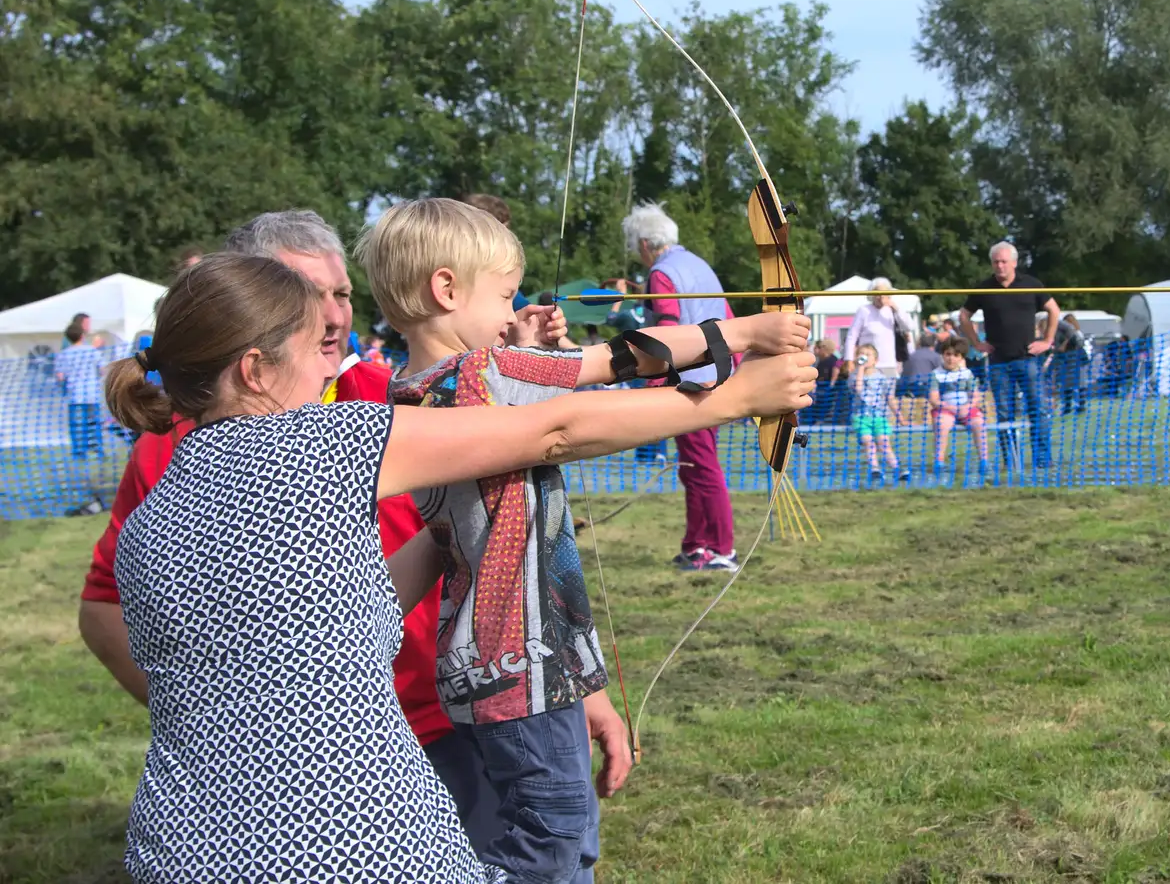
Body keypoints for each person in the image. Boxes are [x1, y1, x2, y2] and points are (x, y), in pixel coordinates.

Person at [100, 251, 814, 884]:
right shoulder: (321, 440)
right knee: (555, 845)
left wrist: (456, 527)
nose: (332, 362)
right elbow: (551, 430)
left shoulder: (149, 525)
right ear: (254, 370)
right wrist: (740, 396)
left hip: (178, 850)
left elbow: (341, 617)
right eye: (316, 347)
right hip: (361, 851)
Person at [77, 210, 507, 854]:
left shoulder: (395, 397)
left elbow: (483, 538)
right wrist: (233, 730)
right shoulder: (174, 447)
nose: (332, 315)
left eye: (340, 293)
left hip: (452, 723)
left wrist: (572, 692)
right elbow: (103, 607)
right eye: (307, 294)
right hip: (298, 796)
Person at [618, 203, 745, 572]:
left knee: (702, 468)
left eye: (634, 246)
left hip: (691, 380)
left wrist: (653, 381)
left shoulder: (661, 274)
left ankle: (723, 549)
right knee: (692, 466)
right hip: (715, 374)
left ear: (644, 243)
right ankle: (696, 545)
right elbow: (729, 318)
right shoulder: (700, 267)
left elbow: (667, 330)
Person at [959, 242, 1059, 471]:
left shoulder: (1031, 284)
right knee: (1005, 413)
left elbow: (1054, 310)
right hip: (998, 362)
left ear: (1014, 263)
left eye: (1004, 261)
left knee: (1038, 409)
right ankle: (1012, 462)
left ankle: (1042, 460)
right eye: (996, 262)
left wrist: (1047, 341)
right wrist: (976, 343)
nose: (1000, 266)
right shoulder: (984, 288)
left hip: (1028, 359)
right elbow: (964, 316)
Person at [928, 337, 988, 482]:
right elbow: (934, 399)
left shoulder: (967, 374)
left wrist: (967, 406)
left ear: (961, 357)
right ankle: (939, 461)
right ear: (943, 354)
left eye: (956, 355)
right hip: (945, 409)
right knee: (941, 424)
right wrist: (950, 407)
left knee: (979, 423)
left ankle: (984, 461)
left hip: (966, 408)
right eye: (948, 354)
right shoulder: (936, 374)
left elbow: (975, 396)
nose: (951, 358)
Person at [849, 343, 907, 485]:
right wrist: (860, 369)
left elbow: (889, 398)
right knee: (868, 441)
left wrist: (899, 416)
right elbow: (858, 390)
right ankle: (874, 468)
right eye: (861, 354)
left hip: (880, 417)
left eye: (868, 355)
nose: (864, 357)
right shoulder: (854, 377)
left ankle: (897, 468)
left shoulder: (882, 378)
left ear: (876, 360)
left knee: (884, 442)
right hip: (861, 417)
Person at [841, 277, 914, 379]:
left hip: (888, 363)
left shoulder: (893, 310)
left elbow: (909, 326)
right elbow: (852, 336)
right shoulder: (863, 310)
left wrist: (895, 308)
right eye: (877, 294)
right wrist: (849, 359)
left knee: (889, 394)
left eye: (884, 293)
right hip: (867, 364)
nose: (881, 297)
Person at [56, 319, 105, 460]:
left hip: (74, 395)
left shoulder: (64, 354)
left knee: (77, 425)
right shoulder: (92, 351)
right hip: (91, 393)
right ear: (82, 335)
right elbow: (103, 369)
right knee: (94, 423)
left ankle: (79, 452)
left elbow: (60, 376)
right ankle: (98, 449)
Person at [1049, 314, 1089, 415]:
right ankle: (1067, 406)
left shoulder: (1077, 334)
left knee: (1080, 383)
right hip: (1067, 361)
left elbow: (1079, 344)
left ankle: (1081, 405)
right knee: (1067, 384)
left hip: (1078, 359)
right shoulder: (1061, 334)